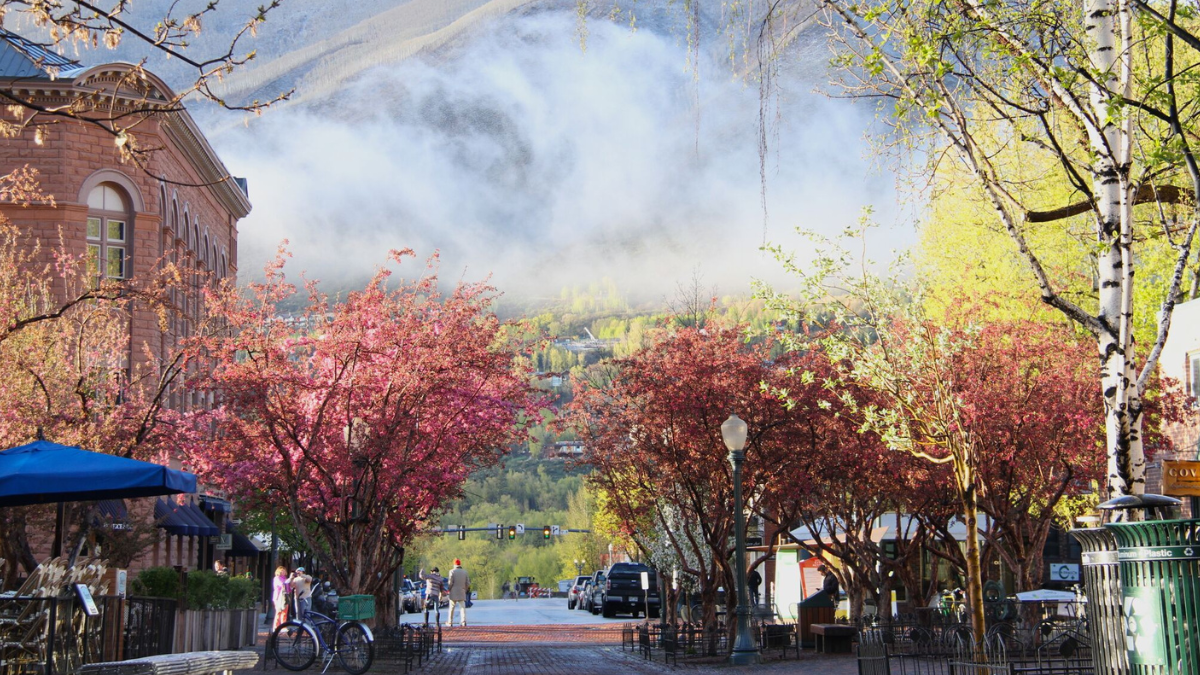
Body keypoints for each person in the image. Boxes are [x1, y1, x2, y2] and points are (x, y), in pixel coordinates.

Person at [445, 559, 470, 627]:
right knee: (462, 607)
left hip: (453, 591)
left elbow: (450, 582)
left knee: (451, 607)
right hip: (462, 591)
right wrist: (465, 589)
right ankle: (463, 621)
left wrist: (449, 589)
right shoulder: (465, 572)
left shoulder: (452, 571)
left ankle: (450, 622)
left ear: (454, 565)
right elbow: (467, 583)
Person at [272, 566, 291, 630]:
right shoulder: (277, 578)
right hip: (278, 597)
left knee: (284, 612)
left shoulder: (285, 578)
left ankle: (283, 626)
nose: (283, 572)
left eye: (284, 570)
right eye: (281, 570)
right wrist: (289, 579)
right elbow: (282, 584)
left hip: (285, 597)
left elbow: (289, 588)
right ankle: (276, 627)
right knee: (278, 612)